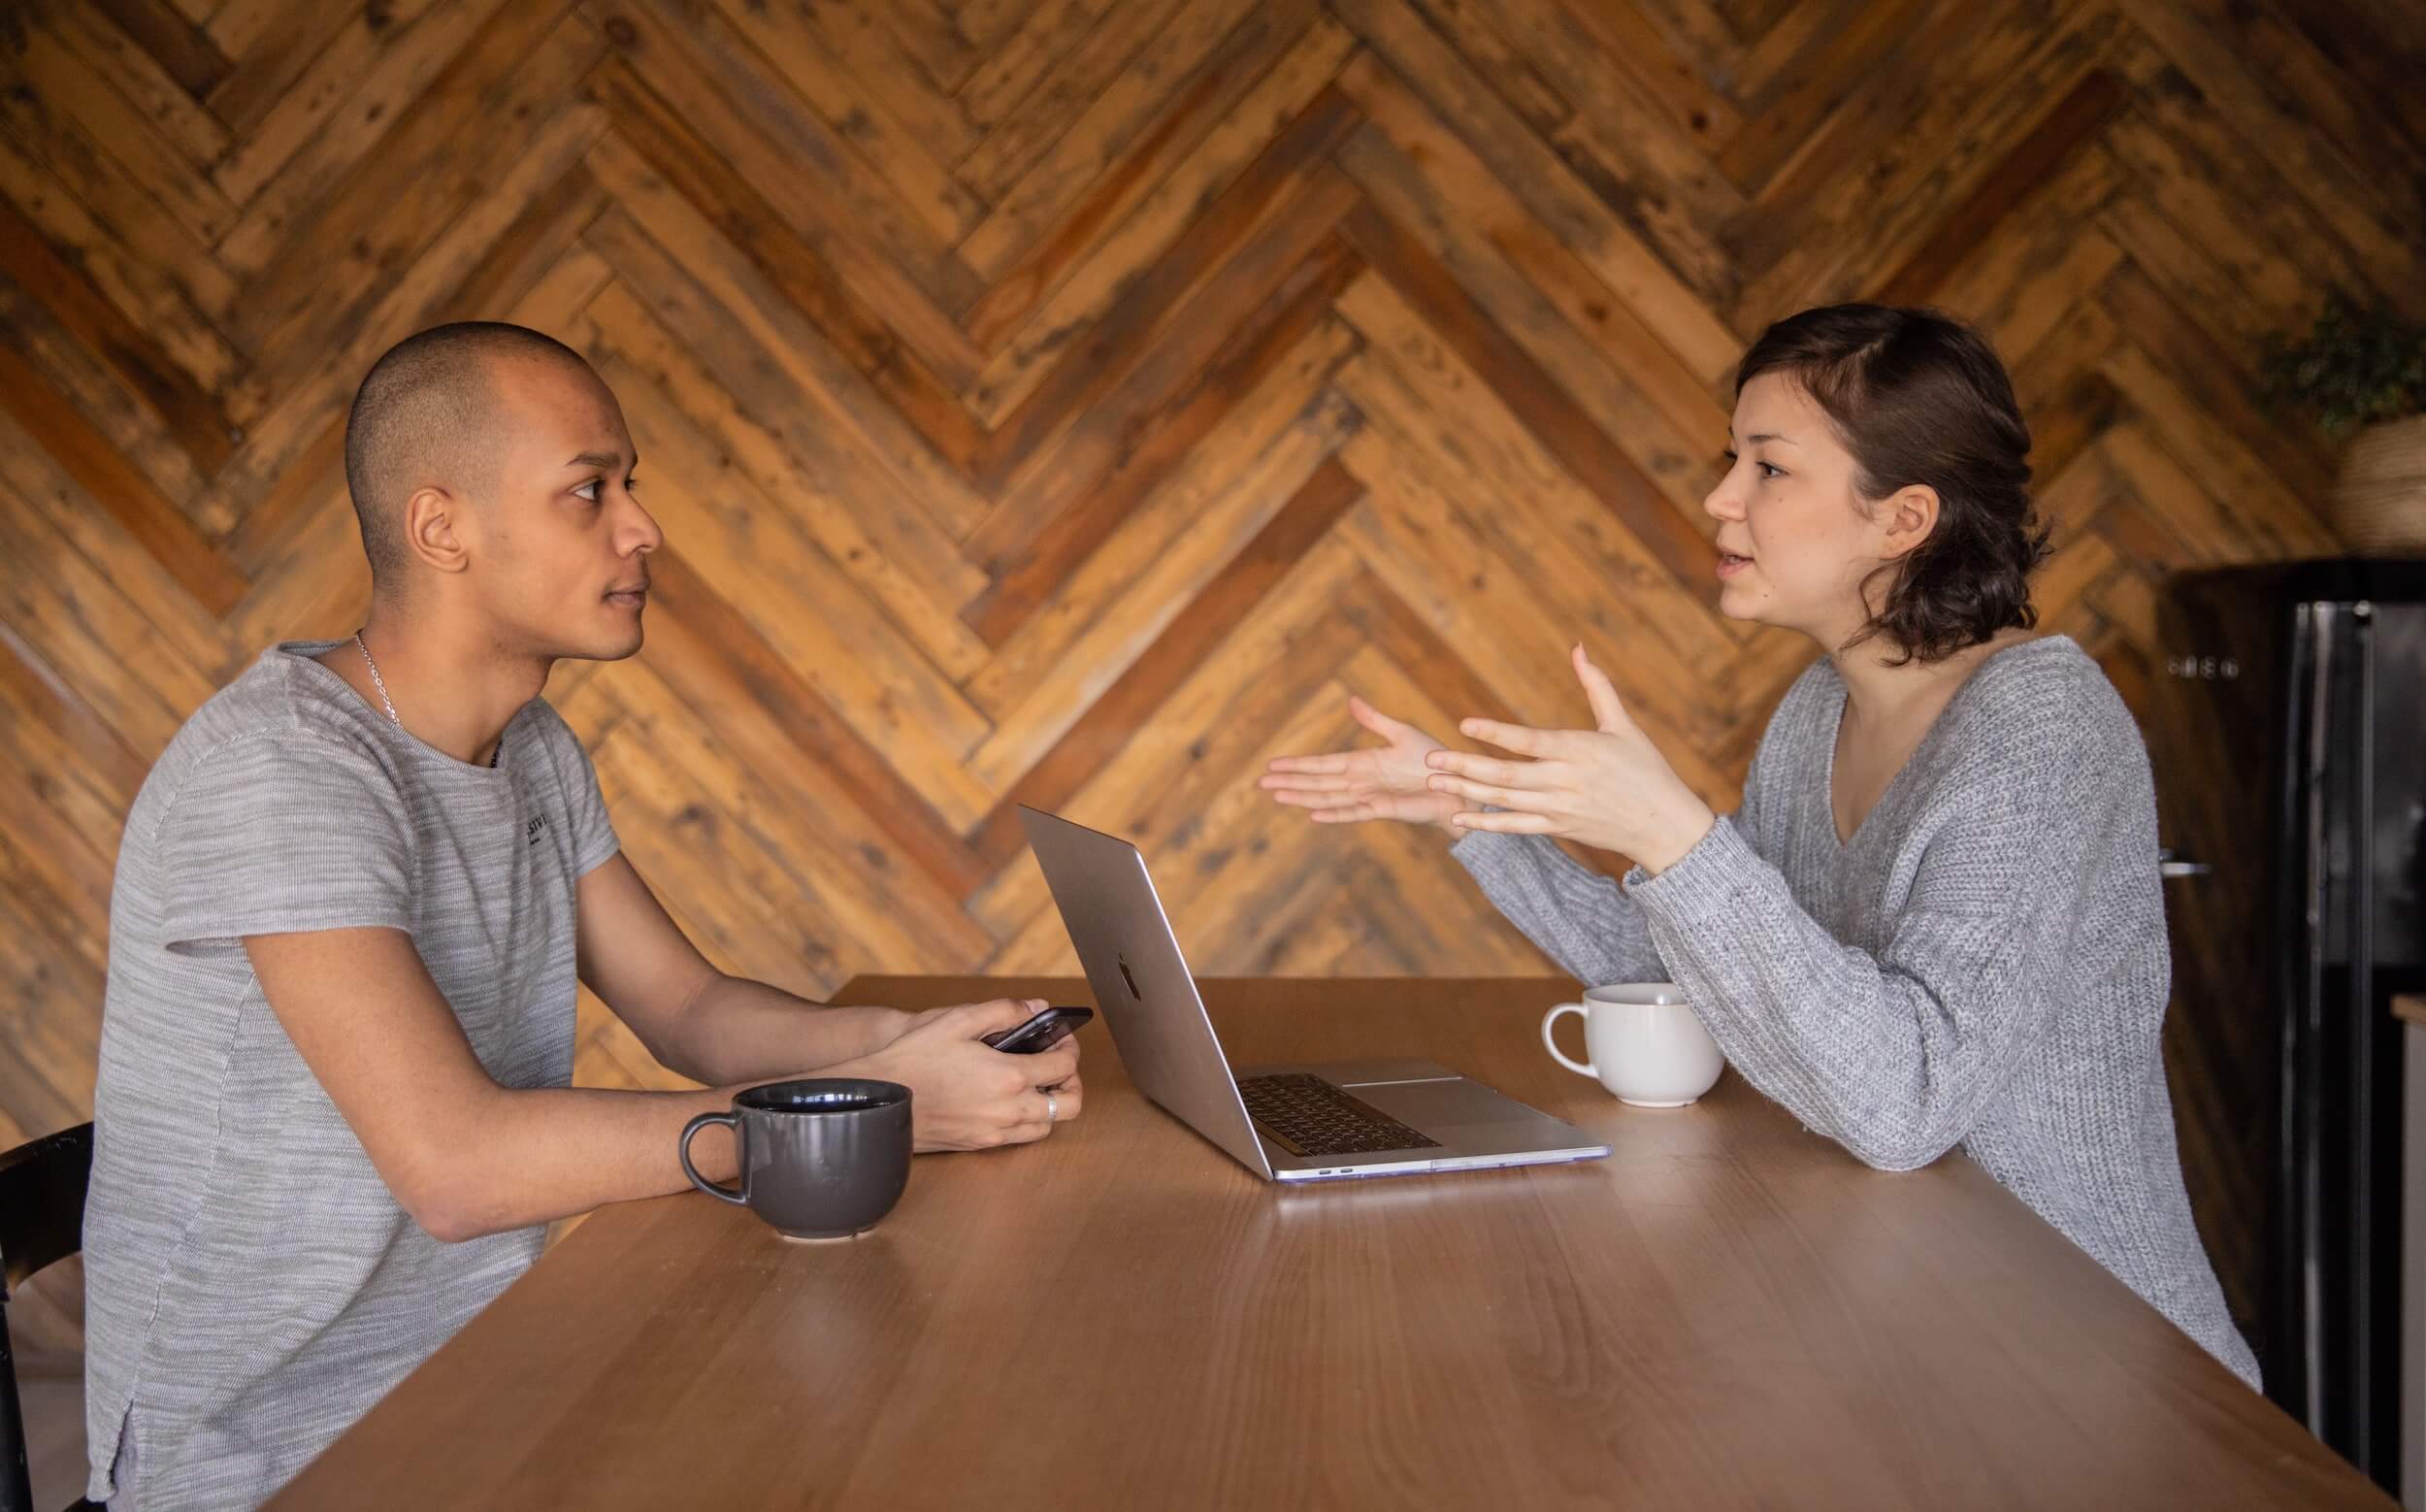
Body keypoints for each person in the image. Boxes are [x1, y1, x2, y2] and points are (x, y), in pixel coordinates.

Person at [82, 322, 1083, 1509]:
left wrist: (914, 1047)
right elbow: (455, 1168)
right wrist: (872, 1115)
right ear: (439, 527)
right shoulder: (285, 771)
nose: (642, 528)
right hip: (281, 1457)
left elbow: (692, 1010)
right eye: (588, 490)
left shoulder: (531, 749)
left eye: (630, 487)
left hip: (482, 1392)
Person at [1262, 303, 2260, 1388]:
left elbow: (1904, 1105)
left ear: (1903, 518)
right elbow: (1702, 975)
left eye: (1768, 469)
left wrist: (1674, 836)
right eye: (1728, 459)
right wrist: (1466, 811)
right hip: (1915, 1324)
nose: (1717, 497)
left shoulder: (2041, 733)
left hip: (2091, 1370)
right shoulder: (1815, 712)